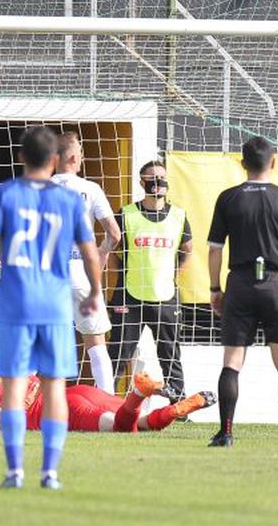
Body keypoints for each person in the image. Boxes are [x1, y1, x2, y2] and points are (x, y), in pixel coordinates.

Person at [0, 125, 103, 490]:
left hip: (15, 300)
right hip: (52, 301)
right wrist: (96, 290)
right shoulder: (70, 200)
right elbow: (88, 252)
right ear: (54, 161)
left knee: (15, 385)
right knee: (53, 386)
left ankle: (15, 470)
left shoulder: (4, 194)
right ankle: (50, 472)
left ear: (21, 157)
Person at [207, 136, 278, 448]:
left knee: (232, 361)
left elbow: (215, 250)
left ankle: (226, 433)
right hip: (277, 285)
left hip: (239, 283)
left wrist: (215, 288)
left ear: (243, 164)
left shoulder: (228, 198)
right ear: (274, 161)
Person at [0, 339, 214, 433]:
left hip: (62, 411)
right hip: (78, 391)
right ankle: (176, 407)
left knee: (119, 427)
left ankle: (138, 392)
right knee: (143, 423)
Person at [108, 159, 193, 400]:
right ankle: (105, 405)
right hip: (130, 296)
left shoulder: (178, 215)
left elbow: (188, 250)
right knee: (118, 353)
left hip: (165, 296)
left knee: (169, 354)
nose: (158, 182)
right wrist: (120, 280)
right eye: (152, 177)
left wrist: (175, 275)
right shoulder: (126, 214)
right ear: (141, 181)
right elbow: (113, 252)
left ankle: (179, 405)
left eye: (162, 177)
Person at [52, 131, 122, 394]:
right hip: (81, 272)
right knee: (95, 344)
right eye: (80, 152)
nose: (82, 157)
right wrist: (101, 255)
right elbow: (114, 233)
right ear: (72, 156)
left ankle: (33, 406)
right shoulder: (90, 189)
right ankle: (108, 403)